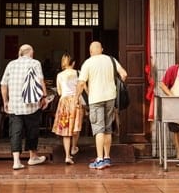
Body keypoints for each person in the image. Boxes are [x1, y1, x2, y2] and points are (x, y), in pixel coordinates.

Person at [77, 40, 127, 170]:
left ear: (91, 51)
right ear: (102, 49)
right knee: (107, 128)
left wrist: (75, 98)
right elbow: (124, 74)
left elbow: (81, 83)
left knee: (99, 128)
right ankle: (107, 157)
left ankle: (99, 159)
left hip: (96, 98)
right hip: (110, 97)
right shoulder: (111, 60)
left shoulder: (88, 62)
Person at [0, 44, 48, 170]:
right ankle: (33, 157)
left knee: (15, 132)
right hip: (31, 104)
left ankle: (16, 161)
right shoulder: (35, 63)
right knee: (32, 130)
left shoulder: (11, 64)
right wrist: (44, 97)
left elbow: (3, 85)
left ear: (20, 53)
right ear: (30, 53)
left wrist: (5, 101)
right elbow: (41, 80)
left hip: (14, 105)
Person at [52, 52, 83, 164]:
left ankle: (67, 156)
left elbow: (59, 92)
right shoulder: (78, 73)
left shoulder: (59, 75)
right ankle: (74, 147)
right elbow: (82, 88)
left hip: (64, 102)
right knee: (76, 127)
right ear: (73, 63)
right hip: (75, 102)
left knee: (66, 129)